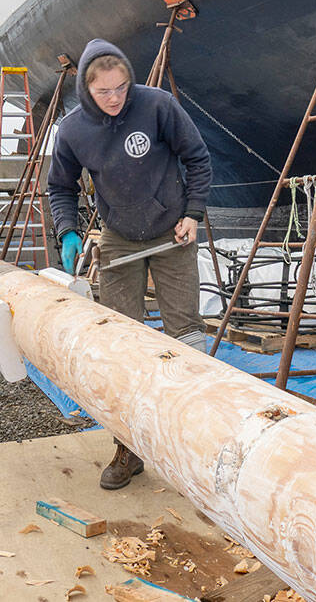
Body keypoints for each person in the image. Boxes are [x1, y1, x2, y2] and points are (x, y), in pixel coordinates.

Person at [47, 38, 212, 490]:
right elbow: (59, 187)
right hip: (119, 238)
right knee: (121, 343)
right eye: (104, 92)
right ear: (86, 88)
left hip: (171, 232)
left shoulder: (157, 105)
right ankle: (129, 448)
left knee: (188, 336)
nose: (116, 98)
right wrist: (67, 231)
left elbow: (197, 159)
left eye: (122, 87)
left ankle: (194, 443)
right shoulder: (73, 130)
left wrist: (192, 214)